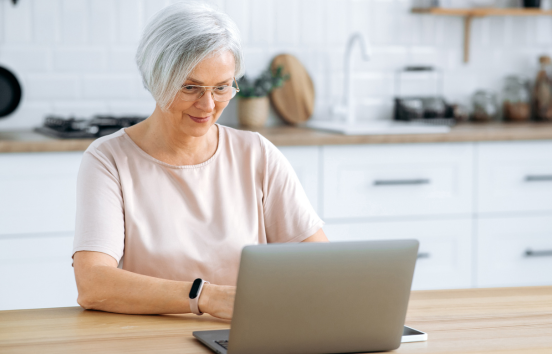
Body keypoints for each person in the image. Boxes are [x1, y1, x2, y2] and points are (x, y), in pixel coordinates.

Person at [72, 2, 327, 320]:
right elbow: (93, 284)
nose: (208, 105)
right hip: (153, 337)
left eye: (221, 87)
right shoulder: (109, 159)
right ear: (156, 79)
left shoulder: (256, 153)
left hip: (245, 336)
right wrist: (205, 297)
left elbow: (320, 264)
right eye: (190, 87)